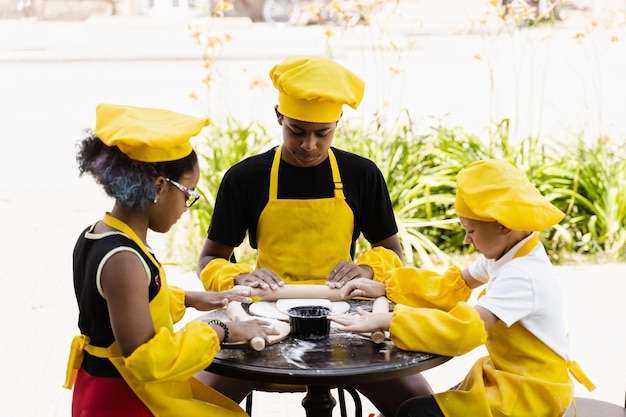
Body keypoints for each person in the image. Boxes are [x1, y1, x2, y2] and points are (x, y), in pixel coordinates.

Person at [195, 55, 432, 416]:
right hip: (267, 317)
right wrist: (240, 276)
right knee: (194, 405)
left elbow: (392, 252)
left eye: (323, 133)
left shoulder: (361, 174)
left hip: (351, 319)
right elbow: (210, 258)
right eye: (297, 130)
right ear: (279, 116)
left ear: (338, 122)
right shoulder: (245, 178)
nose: (309, 145)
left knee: (419, 406)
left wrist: (367, 271)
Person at [329, 159, 596, 417]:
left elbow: (465, 330)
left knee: (414, 412)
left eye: (471, 230)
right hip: (511, 378)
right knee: (423, 407)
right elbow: (451, 285)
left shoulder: (523, 275)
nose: (467, 240)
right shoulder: (511, 252)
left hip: (530, 396)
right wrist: (386, 288)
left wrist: (388, 320)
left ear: (504, 226)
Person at [63, 103, 279, 417]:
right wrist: (221, 331)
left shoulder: (99, 234)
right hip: (126, 400)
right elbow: (148, 358)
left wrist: (193, 298)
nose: (185, 207)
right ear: (159, 185)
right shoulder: (123, 260)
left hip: (111, 390)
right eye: (188, 193)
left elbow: (133, 302)